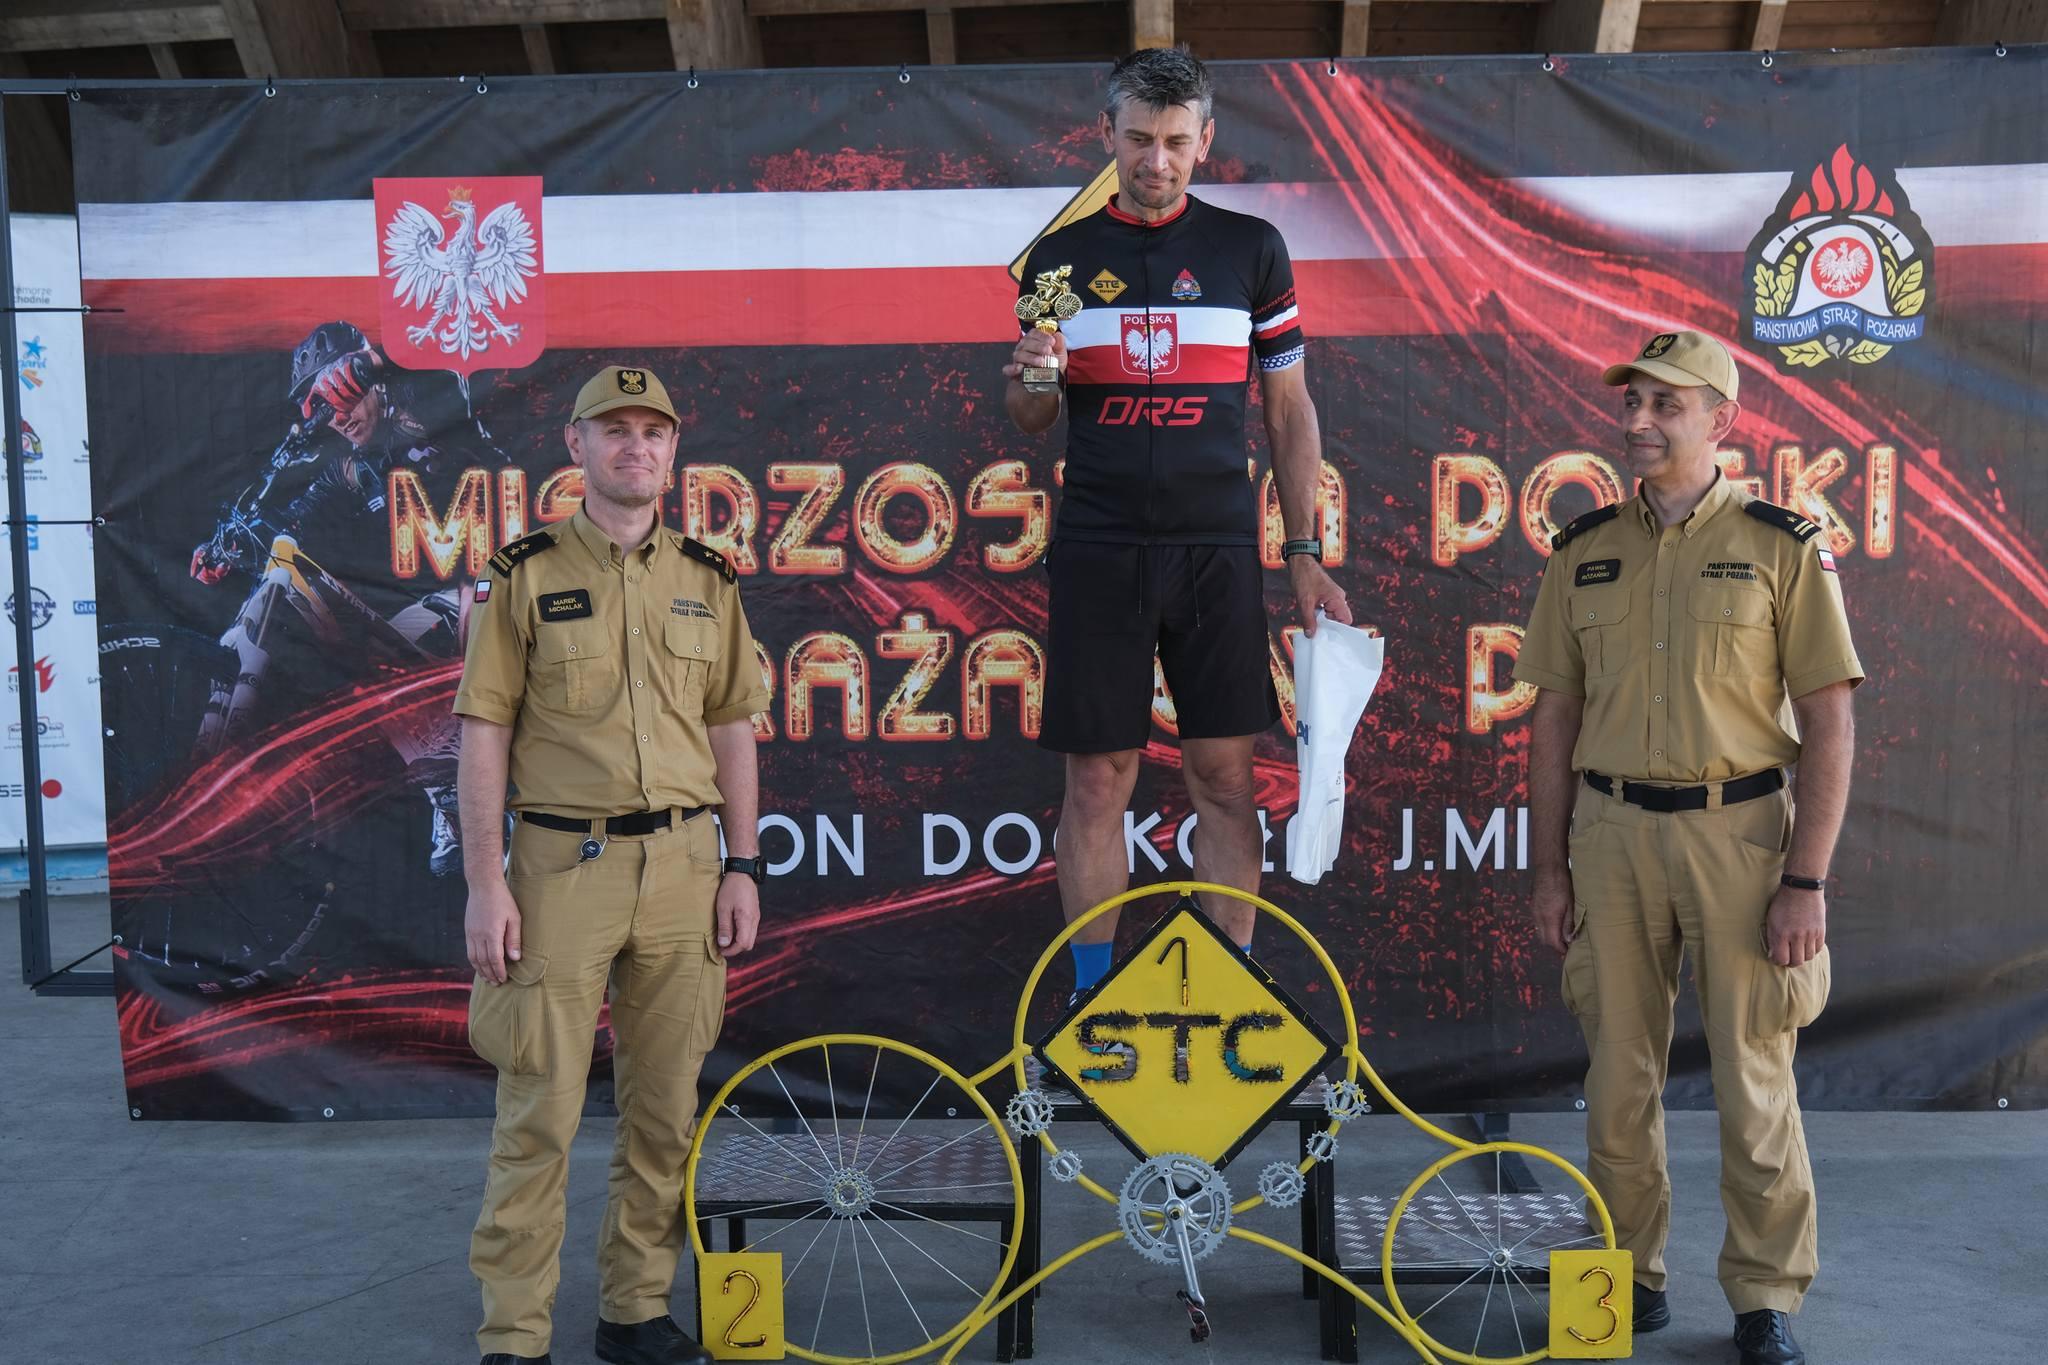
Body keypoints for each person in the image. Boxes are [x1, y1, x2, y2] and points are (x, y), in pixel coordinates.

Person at [1514, 330, 1861, 1365]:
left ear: (1722, 419)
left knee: (1753, 1078)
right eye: (1632, 403)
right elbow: (1552, 719)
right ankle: (1623, 1280)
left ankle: (1765, 1298)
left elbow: (1829, 720)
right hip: (1610, 837)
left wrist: (1805, 879)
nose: (1639, 421)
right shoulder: (1581, 550)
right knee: (1617, 1081)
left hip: (1740, 838)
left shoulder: (1781, 545)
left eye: (1666, 404)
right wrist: (1548, 868)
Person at [1004, 46, 1350, 995]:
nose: (1155, 161)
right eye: (1137, 139)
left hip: (1216, 548)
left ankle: (1226, 993)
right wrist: (1035, 379)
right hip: (1100, 545)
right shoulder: (1057, 259)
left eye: (1174, 141)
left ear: (1206, 140)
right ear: (1105, 134)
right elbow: (1032, 414)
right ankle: (1093, 1000)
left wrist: (1305, 553)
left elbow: (1290, 410)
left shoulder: (1252, 249)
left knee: (1226, 778)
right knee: (1096, 781)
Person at [453, 365, 770, 1365]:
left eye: (653, 431)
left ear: (673, 452)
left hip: (683, 870)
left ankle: (634, 1312)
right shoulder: (522, 575)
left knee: (665, 1113)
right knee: (538, 1113)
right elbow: (482, 734)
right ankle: (514, 1335)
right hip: (559, 871)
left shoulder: (709, 580)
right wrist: (486, 883)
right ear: (576, 445)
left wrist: (742, 862)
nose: (636, 445)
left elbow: (732, 726)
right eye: (614, 429)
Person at [188, 320, 503, 874]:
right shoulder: (352, 470)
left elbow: (443, 355)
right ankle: (448, 795)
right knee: (351, 634)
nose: (337, 412)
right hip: (438, 614)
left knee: (442, 611)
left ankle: (456, 788)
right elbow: (298, 521)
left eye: (344, 392)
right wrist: (231, 549)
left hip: (504, 596)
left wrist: (370, 363)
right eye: (322, 403)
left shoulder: (434, 404)